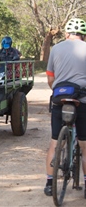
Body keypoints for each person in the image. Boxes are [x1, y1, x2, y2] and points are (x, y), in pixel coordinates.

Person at [44, 18, 86, 199]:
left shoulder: (56, 48)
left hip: (60, 99)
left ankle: (49, 183)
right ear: (83, 35)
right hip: (82, 100)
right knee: (85, 145)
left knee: (55, 142)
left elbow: (50, 79)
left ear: (67, 33)